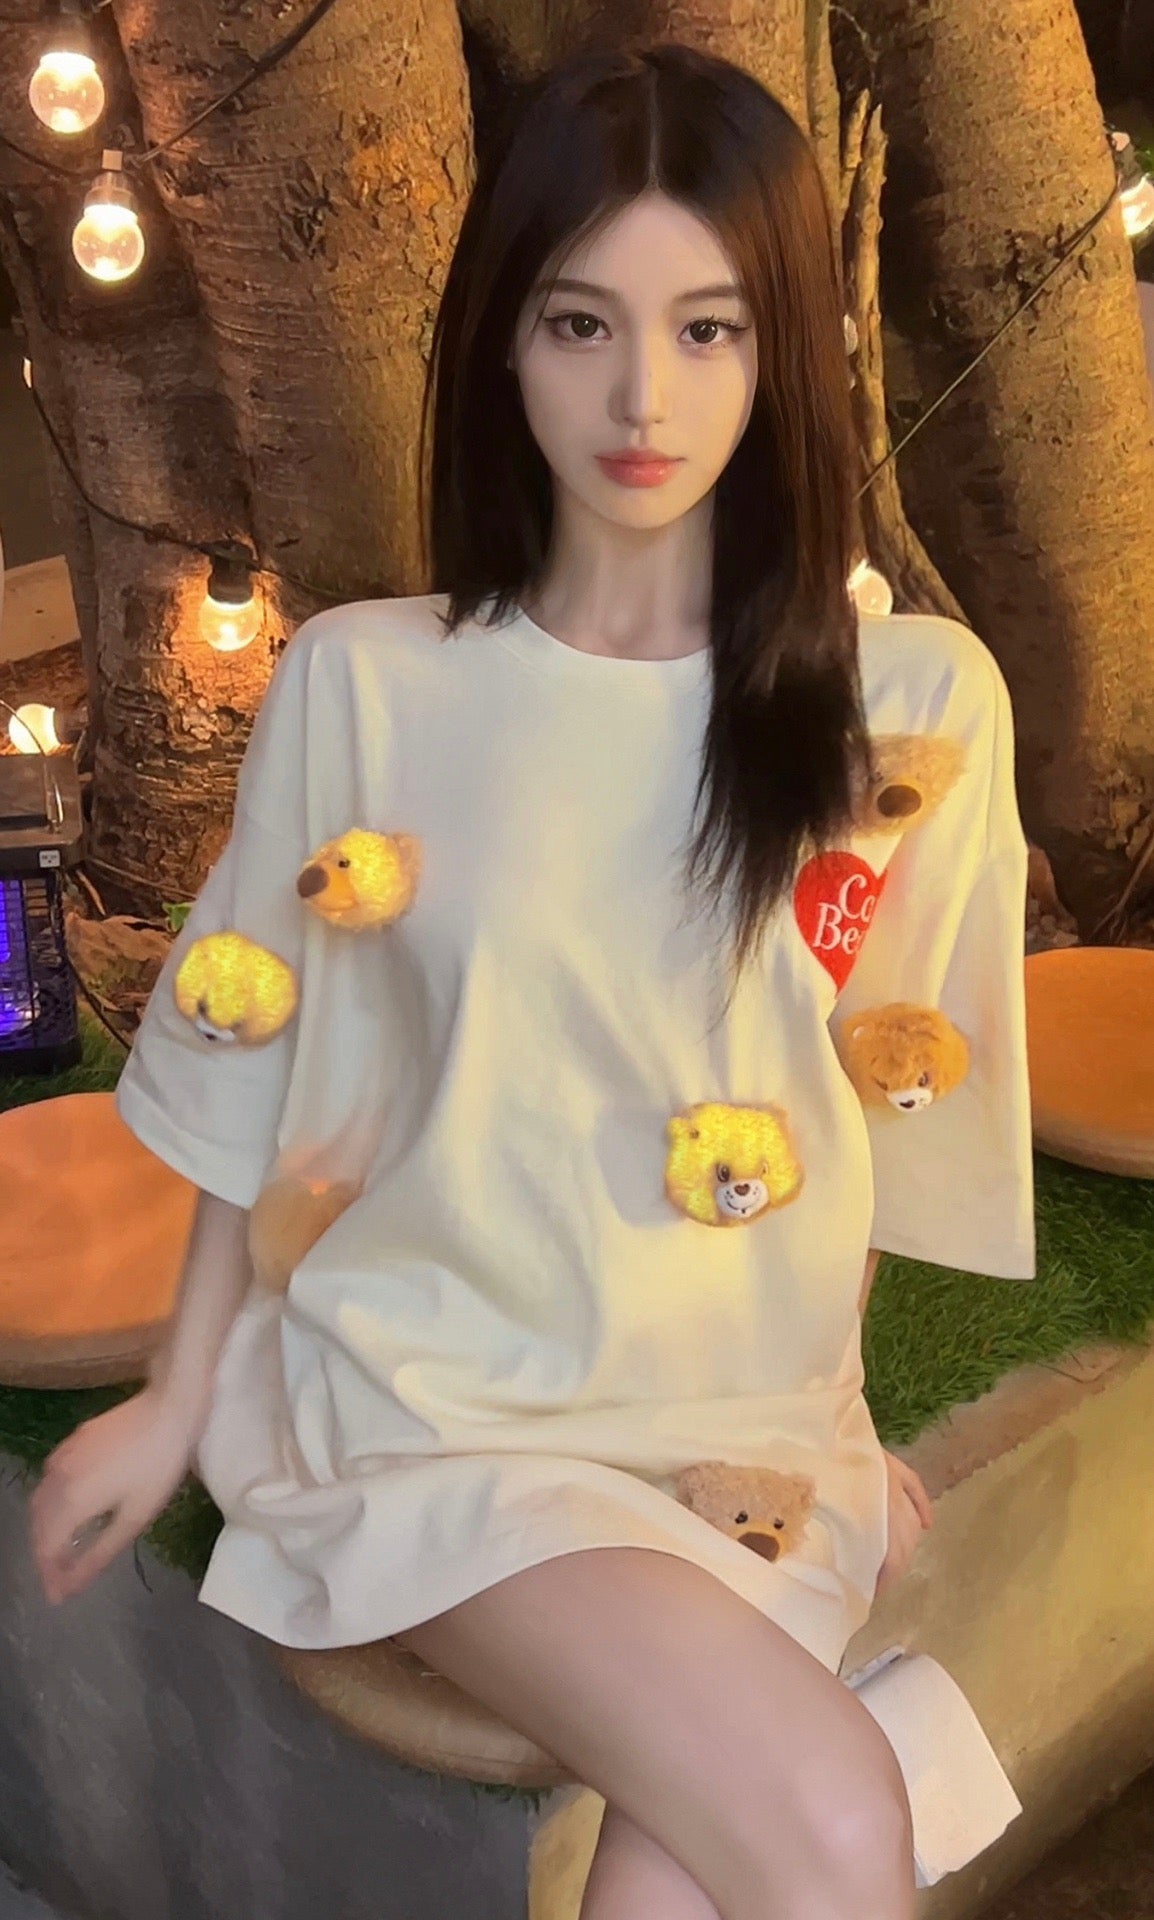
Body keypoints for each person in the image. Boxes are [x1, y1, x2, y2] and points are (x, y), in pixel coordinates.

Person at [28, 41, 1034, 1920]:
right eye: (582, 323)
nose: (643, 396)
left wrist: (832, 1422)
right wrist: (175, 1401)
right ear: (501, 341)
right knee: (825, 1820)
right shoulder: (366, 683)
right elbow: (263, 1061)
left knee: (672, 1888)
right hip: (441, 1403)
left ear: (784, 353)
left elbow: (879, 1103)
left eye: (710, 329)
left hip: (741, 1419)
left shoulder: (908, 711)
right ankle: (866, 1746)